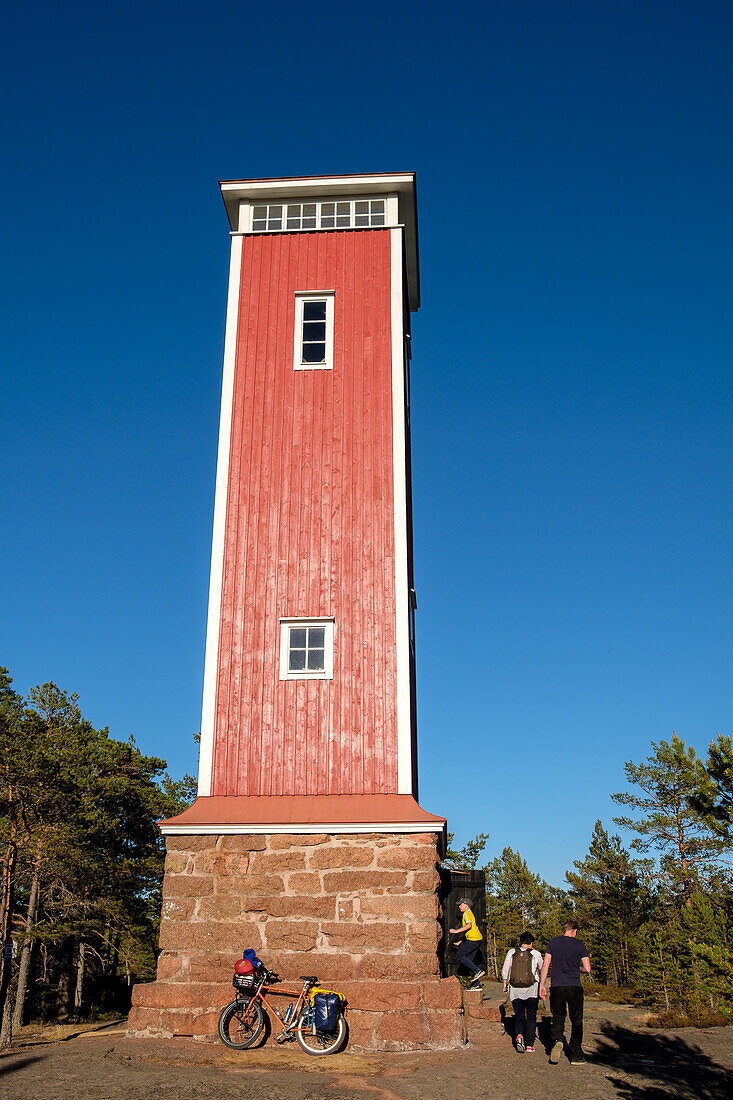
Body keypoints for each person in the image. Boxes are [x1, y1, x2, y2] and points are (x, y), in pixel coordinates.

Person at [539, 919, 591, 1065]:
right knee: (576, 1019)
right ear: (574, 931)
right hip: (574, 985)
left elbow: (545, 965)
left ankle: (558, 1040)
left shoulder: (553, 943)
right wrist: (578, 969)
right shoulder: (580, 944)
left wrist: (542, 985)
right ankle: (575, 1054)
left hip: (557, 986)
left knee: (558, 1016)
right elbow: (587, 968)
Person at [501, 931, 543, 1053]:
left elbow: (505, 970)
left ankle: (519, 1036)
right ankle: (529, 1045)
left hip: (515, 990)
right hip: (532, 989)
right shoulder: (535, 953)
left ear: (521, 942)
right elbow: (542, 968)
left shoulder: (512, 952)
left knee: (519, 1016)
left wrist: (505, 984)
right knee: (531, 1016)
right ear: (531, 943)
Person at [449, 897, 485, 987]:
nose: (459, 906)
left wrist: (456, 931)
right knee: (469, 961)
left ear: (466, 905)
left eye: (461, 905)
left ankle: (478, 971)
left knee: (459, 955)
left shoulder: (467, 913)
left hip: (474, 939)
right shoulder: (468, 913)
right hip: (476, 939)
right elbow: (469, 930)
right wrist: (461, 941)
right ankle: (476, 984)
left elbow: (469, 926)